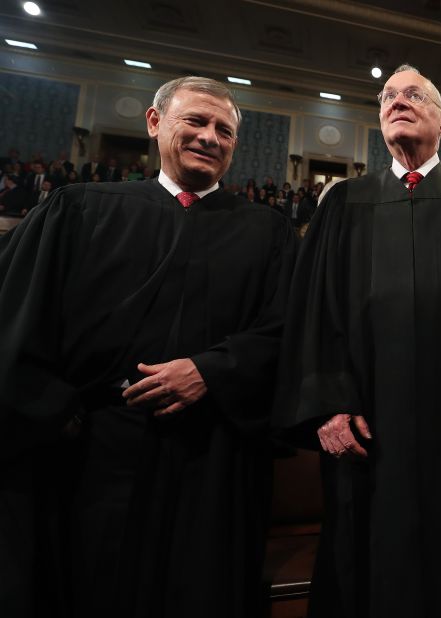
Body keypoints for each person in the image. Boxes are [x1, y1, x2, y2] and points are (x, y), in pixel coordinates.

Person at [0, 76, 297, 617]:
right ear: (156, 123)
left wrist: (211, 371)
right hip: (97, 451)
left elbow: (287, 331)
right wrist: (59, 409)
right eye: (196, 121)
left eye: (224, 130)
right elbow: (19, 318)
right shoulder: (79, 209)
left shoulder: (268, 232)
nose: (210, 136)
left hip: (215, 455)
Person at [274, 64, 441, 618]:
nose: (397, 101)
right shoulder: (343, 202)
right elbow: (316, 310)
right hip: (365, 426)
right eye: (388, 96)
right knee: (360, 560)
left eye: (413, 94)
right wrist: (329, 404)